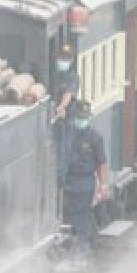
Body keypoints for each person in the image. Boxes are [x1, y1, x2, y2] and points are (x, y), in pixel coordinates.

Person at [62, 100, 109, 261]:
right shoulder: (66, 134)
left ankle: (82, 252)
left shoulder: (95, 137)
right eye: (79, 117)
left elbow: (101, 162)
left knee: (82, 217)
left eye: (85, 117)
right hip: (66, 181)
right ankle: (67, 250)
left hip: (84, 182)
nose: (82, 121)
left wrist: (103, 185)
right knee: (65, 217)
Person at [52, 43, 80, 188]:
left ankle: (61, 178)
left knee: (65, 148)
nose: (63, 61)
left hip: (66, 117)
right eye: (61, 58)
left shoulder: (73, 77)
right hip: (54, 116)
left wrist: (61, 107)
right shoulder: (53, 74)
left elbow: (68, 94)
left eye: (66, 59)